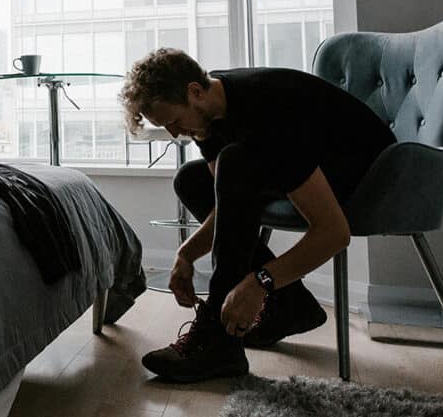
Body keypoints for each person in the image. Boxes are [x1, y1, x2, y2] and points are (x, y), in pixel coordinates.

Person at [119, 48, 396, 383]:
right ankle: (291, 303)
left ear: (194, 92)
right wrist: (187, 253)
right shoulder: (208, 120)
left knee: (235, 161)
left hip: (372, 173)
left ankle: (220, 344)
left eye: (175, 122)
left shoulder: (266, 111)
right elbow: (227, 202)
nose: (176, 134)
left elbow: (334, 233)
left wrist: (261, 282)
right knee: (191, 181)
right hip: (305, 161)